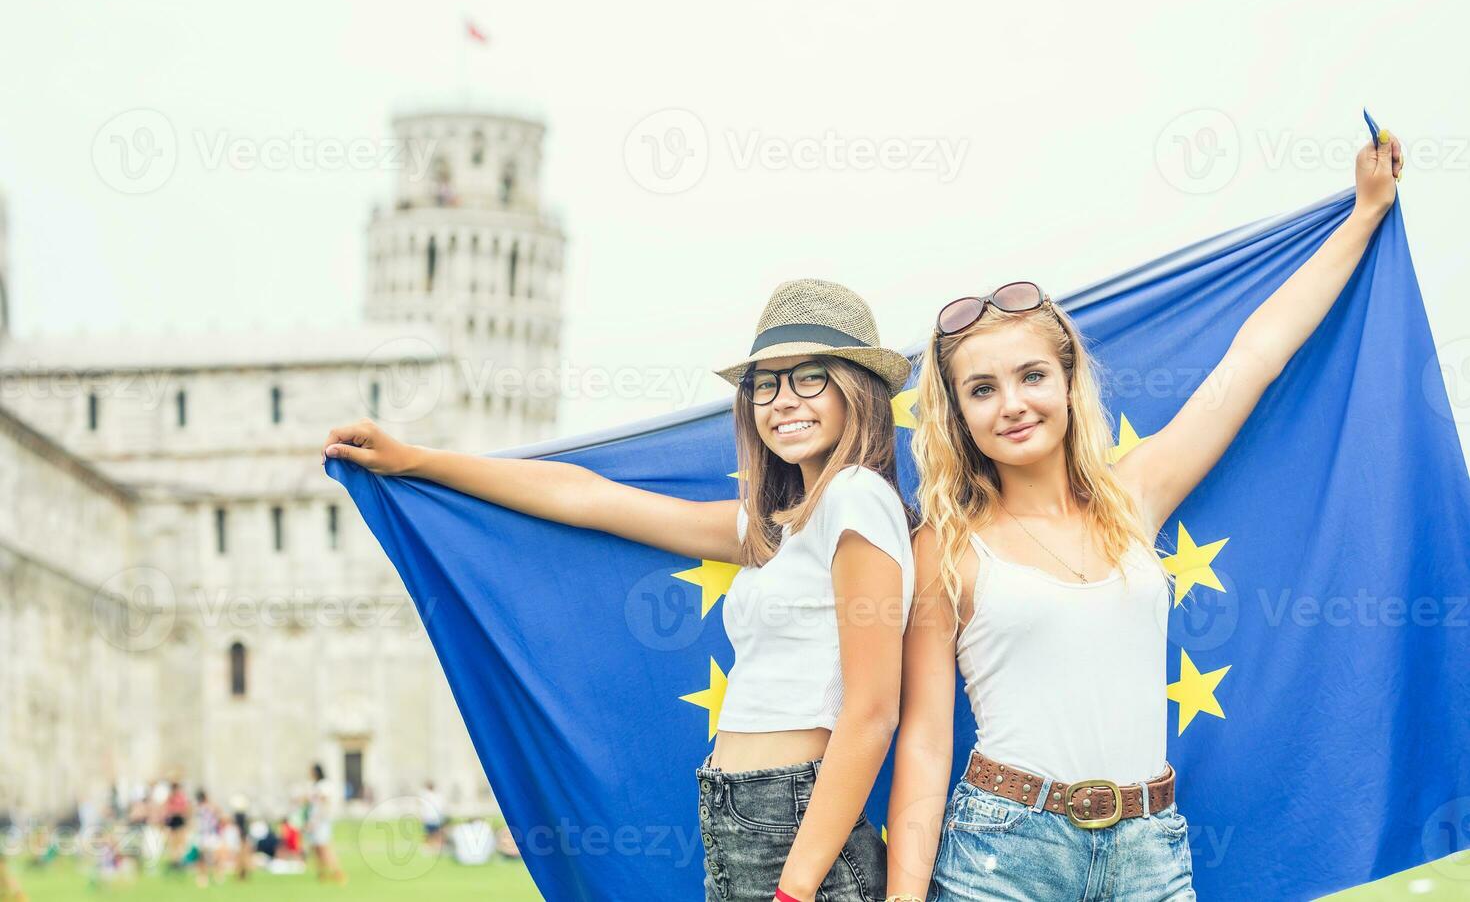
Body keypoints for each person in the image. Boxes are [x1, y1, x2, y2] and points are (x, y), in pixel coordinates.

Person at [881, 131, 1404, 901]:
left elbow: (1253, 358)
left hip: (1151, 852)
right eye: (982, 389)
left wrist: (1364, 215)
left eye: (1031, 375)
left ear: (1067, 383)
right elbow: (925, 741)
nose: (1013, 404)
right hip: (1002, 855)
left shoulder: (1133, 496)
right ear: (958, 414)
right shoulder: (946, 548)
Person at [323, 278, 918, 902]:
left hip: (794, 830)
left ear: (857, 389)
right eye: (764, 384)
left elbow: (872, 712)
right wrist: (416, 460)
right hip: (739, 818)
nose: (782, 400)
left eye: (809, 377)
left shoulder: (856, 499)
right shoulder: (778, 524)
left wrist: (794, 887)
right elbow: (590, 498)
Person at [305, 764, 347, 885]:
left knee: (324, 848)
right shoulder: (314, 785)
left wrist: (316, 821)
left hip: (321, 821)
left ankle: (337, 872)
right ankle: (322, 873)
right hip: (313, 819)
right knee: (315, 848)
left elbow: (324, 804)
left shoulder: (325, 785)